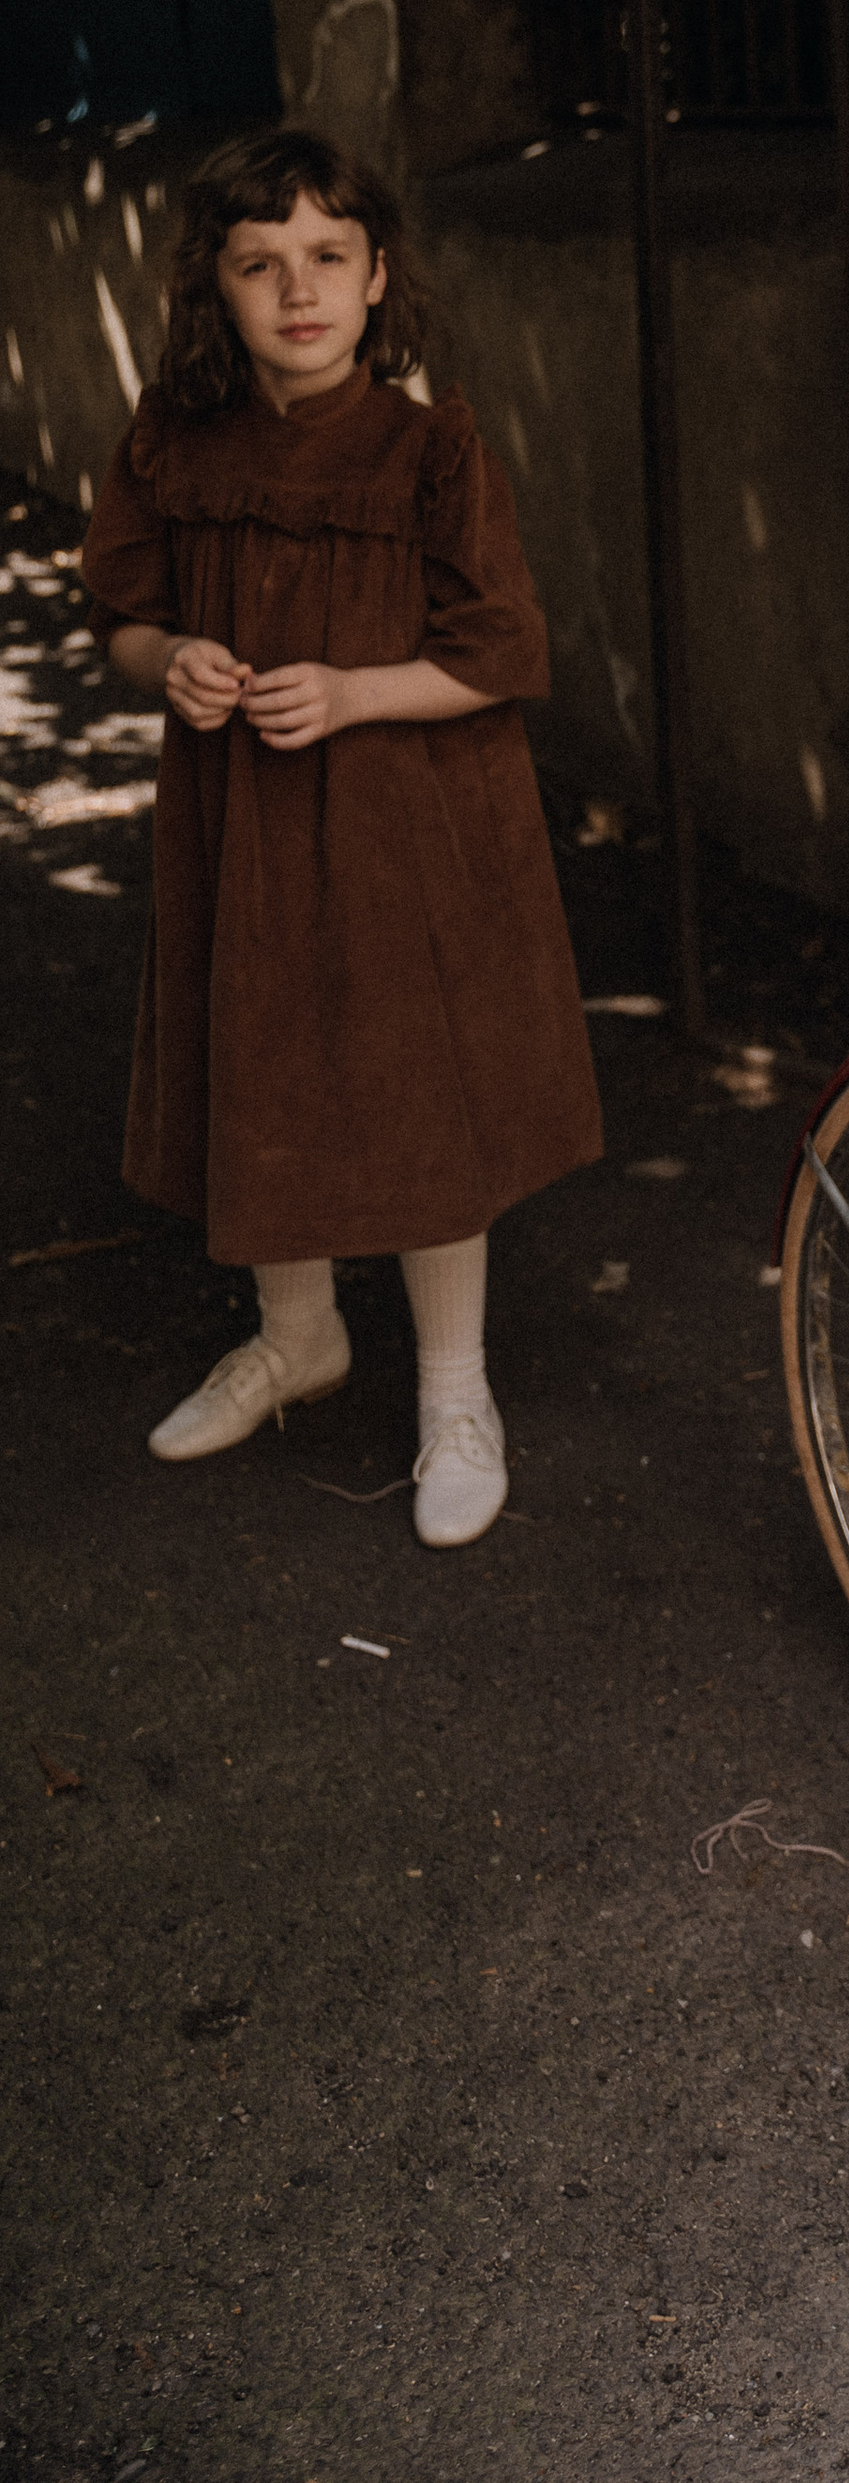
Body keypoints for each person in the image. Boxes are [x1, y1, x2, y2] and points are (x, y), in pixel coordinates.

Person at [81, 129, 602, 1550]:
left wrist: (358, 691)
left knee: (414, 1076)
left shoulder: (430, 448)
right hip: (245, 825)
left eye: (327, 258)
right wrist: (168, 656)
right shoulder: (176, 440)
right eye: (260, 264)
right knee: (265, 1050)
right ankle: (297, 1334)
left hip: (405, 824)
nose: (295, 290)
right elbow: (118, 611)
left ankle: (453, 1390)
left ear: (379, 279)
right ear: (217, 289)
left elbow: (501, 651)